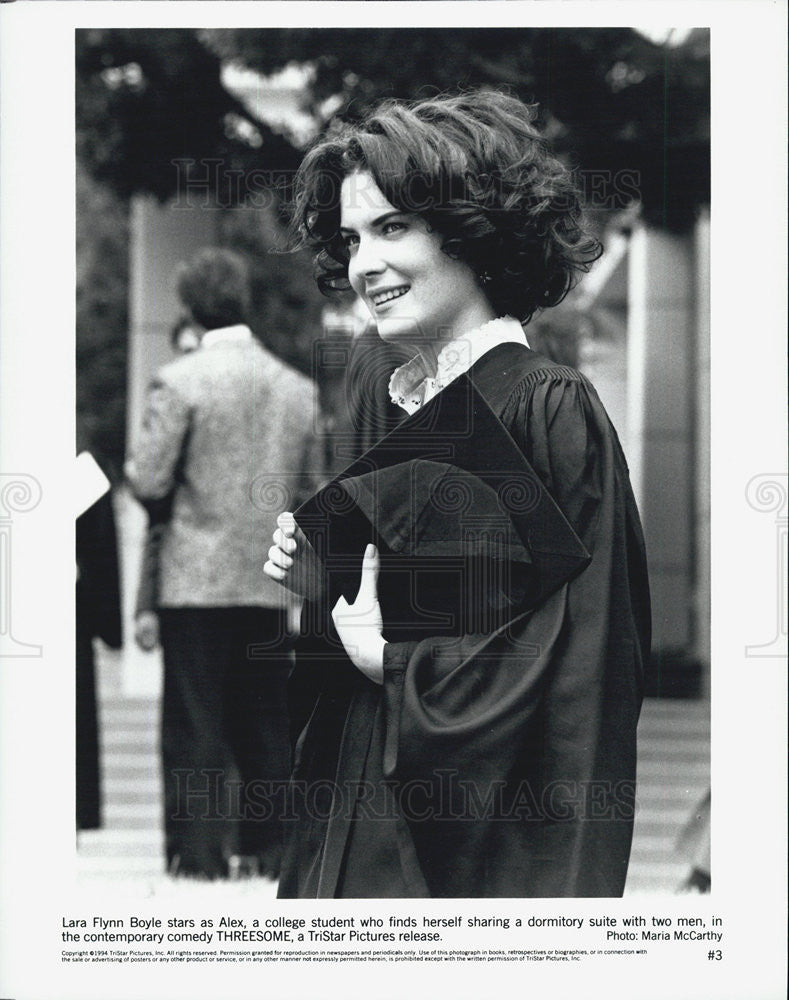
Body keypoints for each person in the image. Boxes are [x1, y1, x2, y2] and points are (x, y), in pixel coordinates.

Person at [265, 90, 651, 898]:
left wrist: (397, 662)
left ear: (471, 231)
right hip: (356, 798)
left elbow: (583, 663)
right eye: (351, 237)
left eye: (392, 227)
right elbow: (367, 609)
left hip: (481, 848)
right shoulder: (379, 390)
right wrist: (315, 572)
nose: (363, 263)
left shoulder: (549, 407)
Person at [126, 247, 323, 879]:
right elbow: (312, 490)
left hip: (194, 581)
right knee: (266, 721)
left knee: (194, 724)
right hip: (268, 582)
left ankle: (198, 856)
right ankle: (267, 851)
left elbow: (151, 482)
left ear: (189, 307)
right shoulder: (296, 389)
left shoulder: (179, 381)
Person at [133, 315, 204, 654]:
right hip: (182, 589)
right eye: (184, 352)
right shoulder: (170, 417)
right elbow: (156, 526)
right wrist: (145, 607)